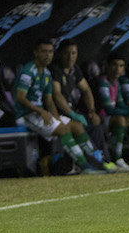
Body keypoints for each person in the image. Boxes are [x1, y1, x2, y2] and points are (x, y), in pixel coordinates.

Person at [14, 38, 105, 175]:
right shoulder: (28, 71)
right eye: (44, 51)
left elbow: (49, 100)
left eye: (50, 51)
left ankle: (96, 162)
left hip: (40, 113)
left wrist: (57, 118)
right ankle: (85, 166)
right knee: (63, 129)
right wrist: (41, 111)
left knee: (76, 126)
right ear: (36, 53)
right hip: (26, 114)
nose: (48, 55)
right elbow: (20, 98)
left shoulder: (46, 73)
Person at [50, 39, 117, 172]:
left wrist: (92, 111)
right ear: (59, 54)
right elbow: (57, 95)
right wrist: (72, 113)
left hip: (72, 112)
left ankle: (105, 159)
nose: (71, 57)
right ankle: (93, 162)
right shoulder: (55, 69)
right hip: (59, 113)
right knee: (79, 125)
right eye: (67, 53)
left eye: (74, 53)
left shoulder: (75, 69)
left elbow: (86, 89)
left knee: (95, 122)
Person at [96, 53, 129, 172]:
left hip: (109, 118)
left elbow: (120, 104)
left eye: (121, 66)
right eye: (114, 65)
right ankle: (117, 159)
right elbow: (108, 109)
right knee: (121, 119)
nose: (117, 69)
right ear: (107, 66)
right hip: (99, 118)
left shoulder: (116, 83)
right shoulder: (102, 81)